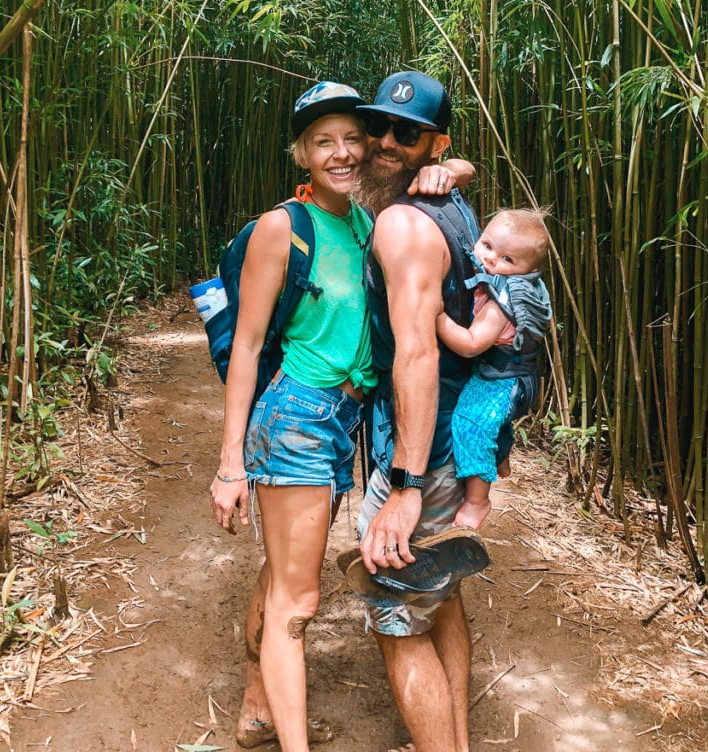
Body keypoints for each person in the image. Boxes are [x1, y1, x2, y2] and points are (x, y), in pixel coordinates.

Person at [209, 80, 473, 752]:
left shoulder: (366, 218)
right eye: (323, 142)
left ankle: (255, 706)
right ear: (301, 154)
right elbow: (246, 347)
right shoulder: (282, 227)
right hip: (296, 414)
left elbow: (430, 180)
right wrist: (230, 463)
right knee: (298, 604)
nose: (345, 152)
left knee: (281, 576)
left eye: (352, 137)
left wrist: (455, 165)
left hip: (340, 424)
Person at [353, 70, 481, 752]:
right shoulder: (452, 206)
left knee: (395, 615)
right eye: (378, 127)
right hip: (458, 441)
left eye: (406, 134)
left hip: (421, 451)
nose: (384, 143)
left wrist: (402, 488)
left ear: (435, 144)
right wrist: (455, 167)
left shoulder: (402, 224)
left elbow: (417, 358)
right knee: (445, 594)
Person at [436, 208, 552, 529]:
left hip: (502, 379)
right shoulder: (512, 281)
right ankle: (500, 458)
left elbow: (472, 342)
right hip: (516, 376)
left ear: (529, 269)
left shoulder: (506, 297)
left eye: (507, 259)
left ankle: (477, 501)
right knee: (493, 420)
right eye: (486, 245)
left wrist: (436, 317)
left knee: (470, 422)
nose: (490, 259)